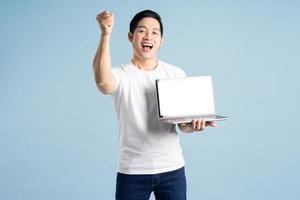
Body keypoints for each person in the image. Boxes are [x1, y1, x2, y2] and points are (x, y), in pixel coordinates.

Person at [93, 9, 216, 200]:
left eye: (155, 32)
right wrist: (105, 34)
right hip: (132, 171)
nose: (148, 36)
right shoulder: (121, 75)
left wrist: (193, 125)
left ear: (161, 40)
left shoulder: (175, 74)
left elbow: (183, 125)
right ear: (130, 36)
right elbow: (103, 82)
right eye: (142, 31)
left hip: (172, 170)